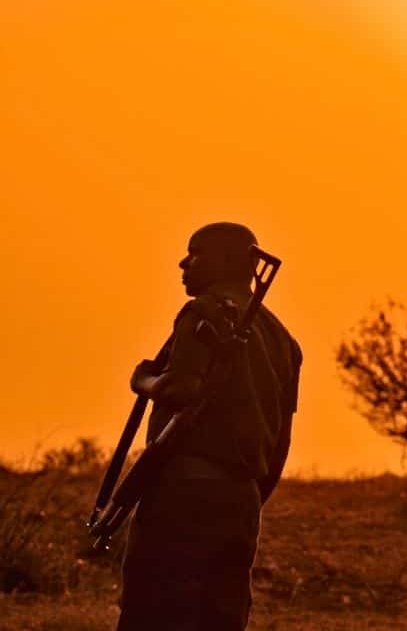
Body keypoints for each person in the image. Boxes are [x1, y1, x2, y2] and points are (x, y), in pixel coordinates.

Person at [117, 222, 302, 631]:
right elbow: (281, 444)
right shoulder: (283, 341)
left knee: (151, 609)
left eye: (195, 254)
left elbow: (180, 388)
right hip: (243, 498)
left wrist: (142, 379)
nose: (183, 263)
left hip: (182, 491)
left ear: (227, 262)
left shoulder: (204, 312)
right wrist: (249, 495)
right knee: (221, 615)